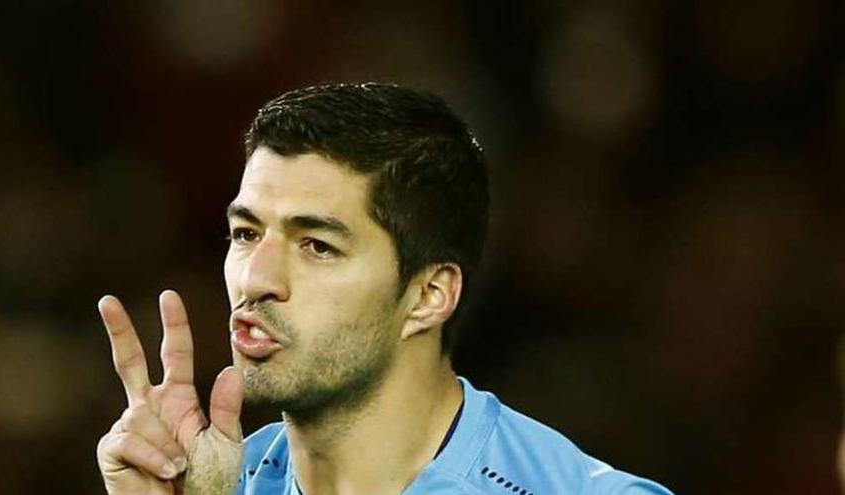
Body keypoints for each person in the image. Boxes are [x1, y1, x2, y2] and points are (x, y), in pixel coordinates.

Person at [95, 82, 674, 495]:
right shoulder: (205, 486)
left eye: (317, 245)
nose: (255, 279)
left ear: (429, 295)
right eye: (246, 233)